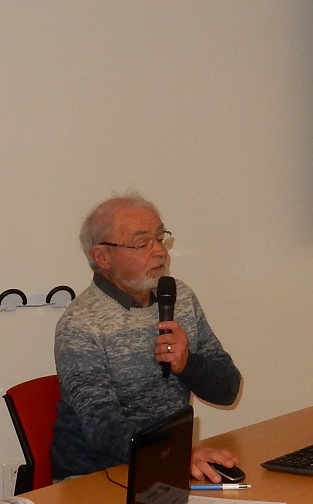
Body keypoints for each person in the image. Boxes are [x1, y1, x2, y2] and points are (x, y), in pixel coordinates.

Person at [51, 193, 242, 483]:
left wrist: (187, 362)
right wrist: (175, 454)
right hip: (98, 474)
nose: (160, 252)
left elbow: (227, 389)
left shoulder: (180, 297)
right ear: (102, 257)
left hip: (167, 466)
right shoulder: (81, 324)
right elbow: (102, 426)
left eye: (160, 238)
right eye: (142, 243)